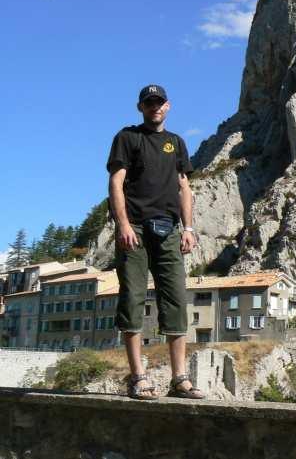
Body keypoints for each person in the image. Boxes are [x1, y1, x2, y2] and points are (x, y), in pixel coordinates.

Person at [106, 84, 204, 400]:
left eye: (159, 103)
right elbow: (116, 182)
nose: (155, 107)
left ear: (168, 106)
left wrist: (188, 228)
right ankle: (138, 377)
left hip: (169, 230)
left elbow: (184, 187)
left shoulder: (176, 143)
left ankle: (180, 379)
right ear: (141, 107)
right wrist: (122, 224)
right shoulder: (127, 137)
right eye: (149, 103)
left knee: (175, 300)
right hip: (133, 228)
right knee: (133, 297)